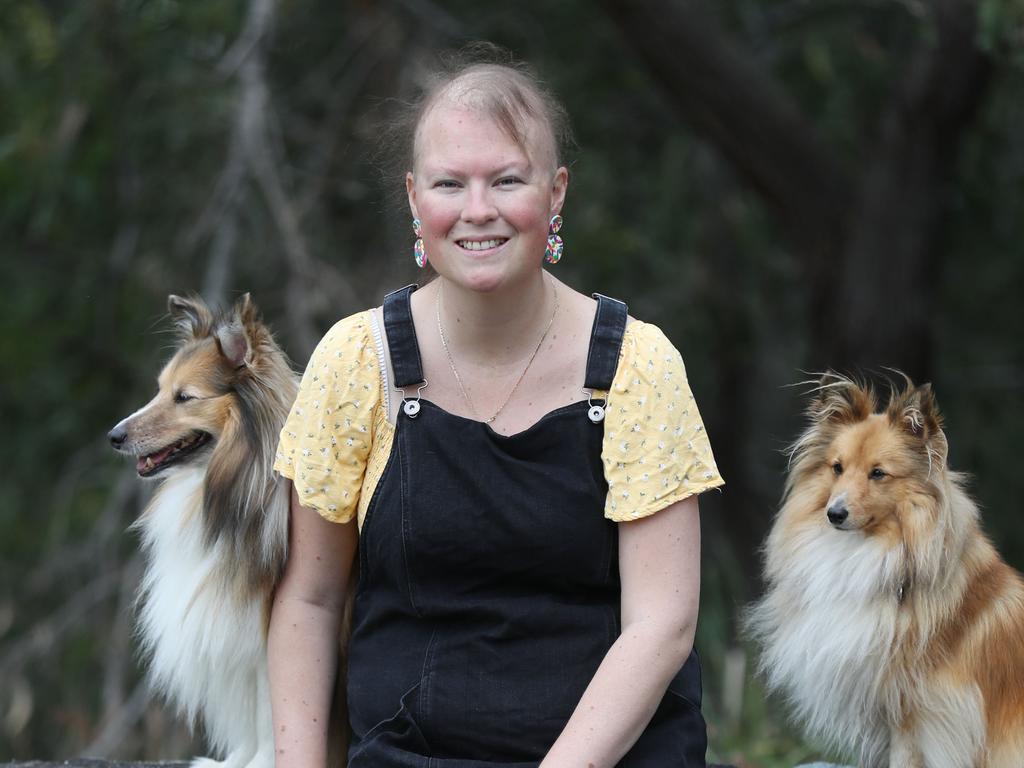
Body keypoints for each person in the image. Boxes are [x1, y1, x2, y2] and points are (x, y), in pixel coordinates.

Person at [267, 53, 724, 768]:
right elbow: (311, 601)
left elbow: (662, 623)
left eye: (507, 180)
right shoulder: (357, 363)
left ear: (556, 193)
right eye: (451, 184)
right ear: (415, 198)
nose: (478, 210)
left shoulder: (637, 366)